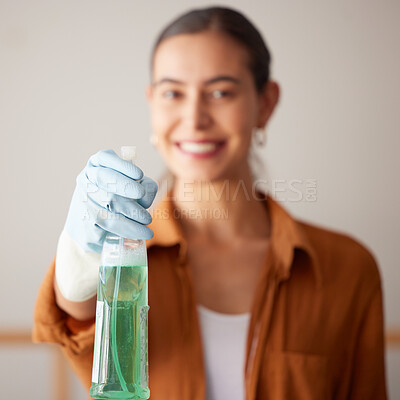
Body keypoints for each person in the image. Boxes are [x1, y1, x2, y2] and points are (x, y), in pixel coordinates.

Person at [33, 6, 387, 400]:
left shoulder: (348, 269)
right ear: (152, 103)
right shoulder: (120, 256)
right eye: (172, 93)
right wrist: (80, 254)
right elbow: (77, 311)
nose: (193, 117)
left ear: (266, 103)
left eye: (220, 92)